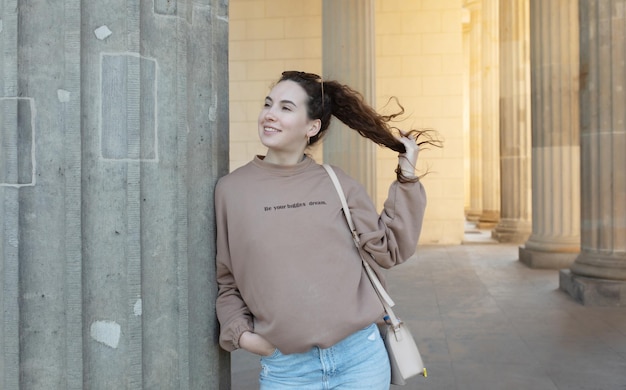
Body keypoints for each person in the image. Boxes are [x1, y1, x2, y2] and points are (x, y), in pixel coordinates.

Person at [215, 71, 440, 389]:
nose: (270, 114)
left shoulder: (337, 183)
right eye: (268, 104)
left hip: (360, 360)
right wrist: (243, 335)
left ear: (312, 126)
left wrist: (407, 176)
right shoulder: (231, 191)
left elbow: (390, 250)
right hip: (287, 370)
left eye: (285, 107)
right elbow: (227, 280)